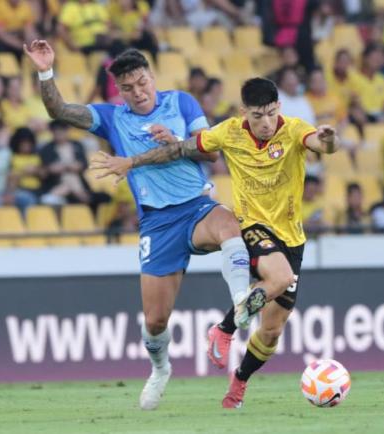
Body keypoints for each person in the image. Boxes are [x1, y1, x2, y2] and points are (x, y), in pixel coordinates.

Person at [24, 41, 263, 410]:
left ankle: (240, 302)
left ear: (152, 77)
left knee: (228, 224)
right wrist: (45, 72)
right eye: (128, 88)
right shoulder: (112, 118)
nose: (137, 92)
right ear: (119, 91)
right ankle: (160, 368)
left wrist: (178, 141)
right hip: (157, 223)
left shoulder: (182, 103)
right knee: (155, 322)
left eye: (141, 83)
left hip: (196, 206)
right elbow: (59, 110)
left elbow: (212, 152)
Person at [90, 77, 340, 409]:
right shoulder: (228, 132)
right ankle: (223, 329)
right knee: (279, 278)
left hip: (291, 236)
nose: (266, 123)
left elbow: (321, 144)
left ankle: (239, 382)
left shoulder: (293, 129)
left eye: (270, 114)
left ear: (278, 107)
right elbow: (184, 149)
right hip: (252, 226)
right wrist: (136, 159)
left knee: (271, 331)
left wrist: (329, 139)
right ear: (244, 112)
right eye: (257, 116)